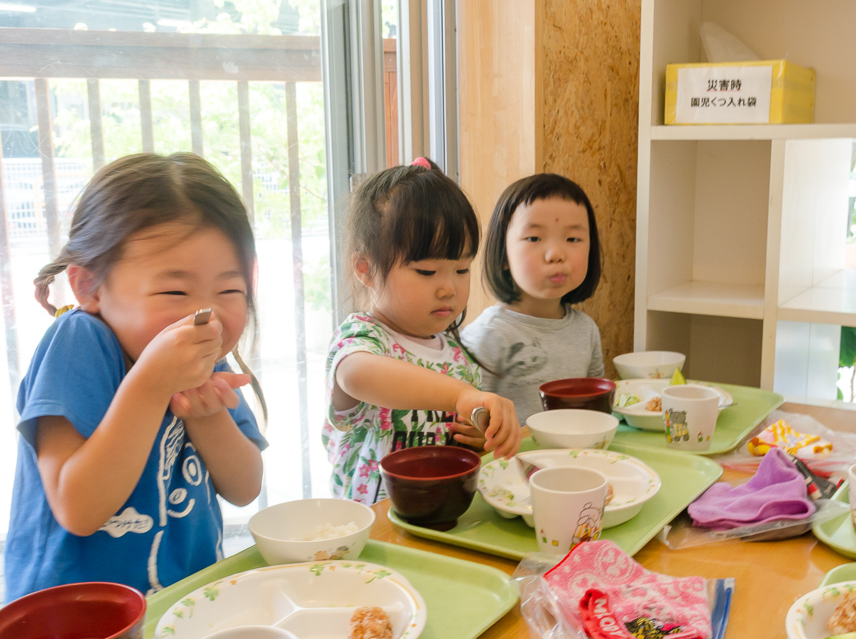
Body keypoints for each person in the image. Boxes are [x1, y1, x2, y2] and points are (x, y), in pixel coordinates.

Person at [5, 153, 267, 601]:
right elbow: (78, 507)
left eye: (230, 290)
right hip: (73, 625)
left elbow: (245, 488)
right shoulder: (79, 343)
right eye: (174, 291)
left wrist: (207, 419)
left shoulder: (203, 357)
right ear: (89, 287)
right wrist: (149, 384)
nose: (207, 314)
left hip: (178, 609)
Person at [323, 158, 521, 505]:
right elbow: (358, 374)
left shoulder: (457, 358)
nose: (448, 288)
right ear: (365, 269)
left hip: (439, 514)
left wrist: (479, 435)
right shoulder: (363, 338)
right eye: (427, 271)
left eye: (461, 269)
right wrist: (460, 396)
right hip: (375, 533)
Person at [462, 173, 604, 422]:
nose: (555, 254)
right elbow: (463, 419)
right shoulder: (488, 336)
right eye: (534, 238)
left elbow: (597, 408)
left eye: (573, 239)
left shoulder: (586, 330)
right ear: (504, 254)